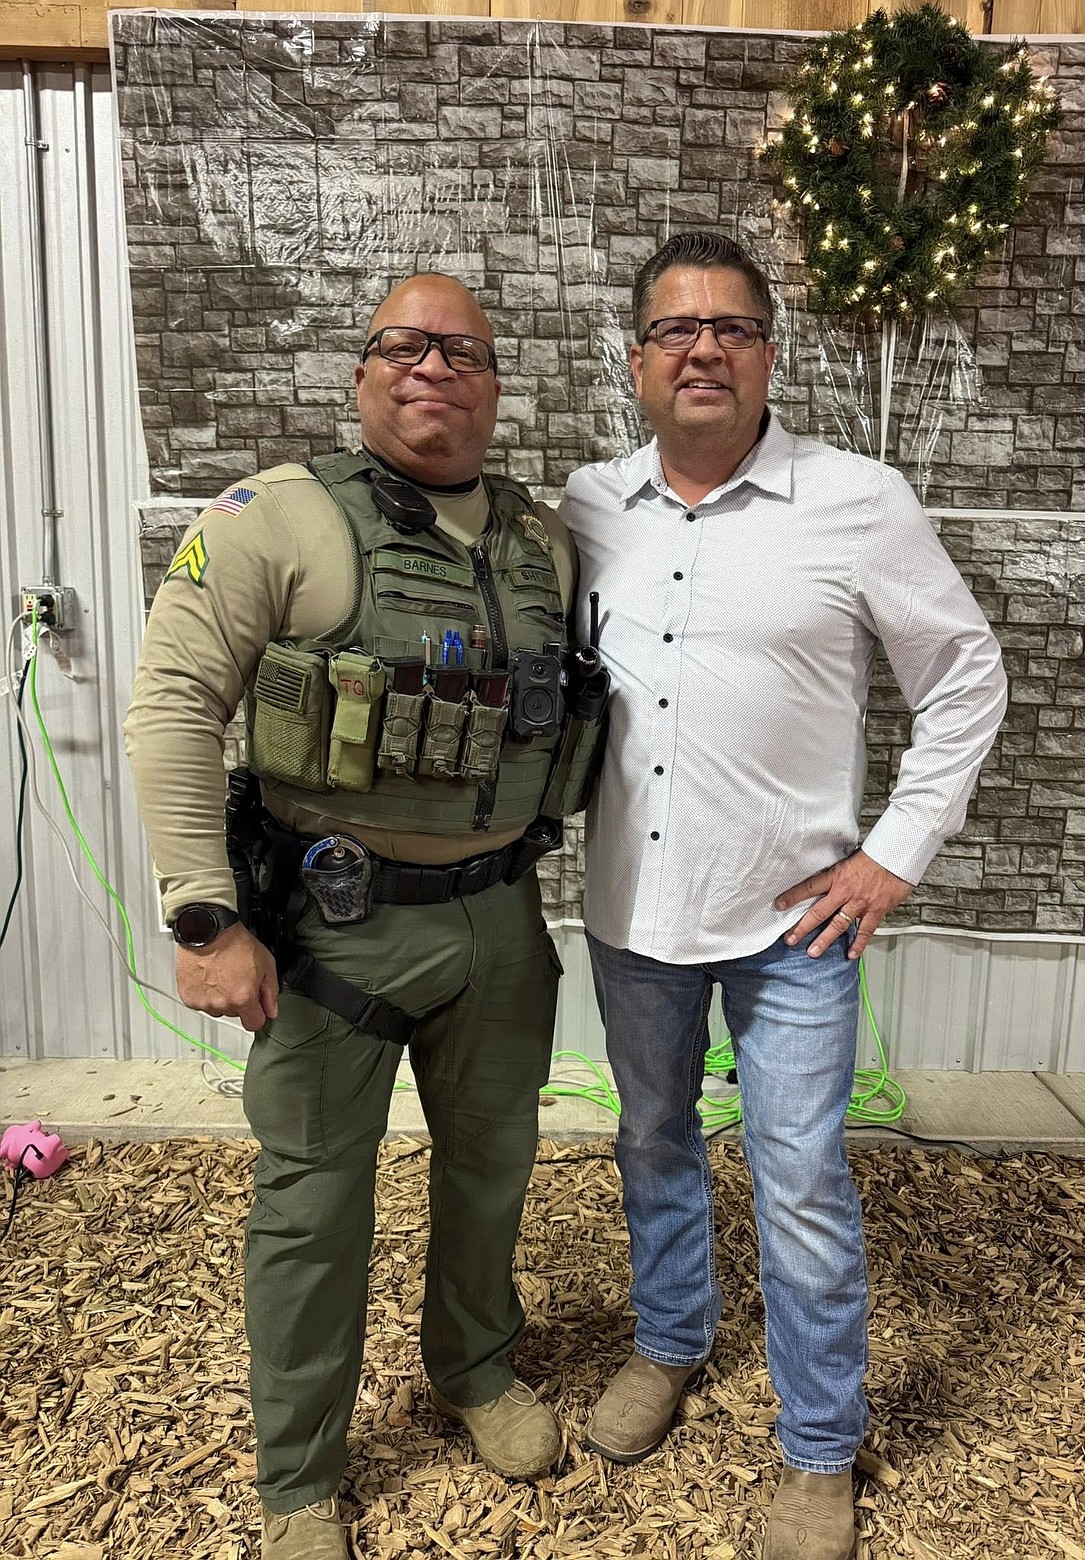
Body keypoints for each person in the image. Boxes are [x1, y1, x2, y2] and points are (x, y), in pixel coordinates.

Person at [124, 273, 596, 1560]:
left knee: (493, 1172)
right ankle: (300, 1478)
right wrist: (204, 917)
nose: (433, 367)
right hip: (334, 930)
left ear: (494, 383)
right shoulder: (275, 517)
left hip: (502, 919)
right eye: (404, 345)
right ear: (361, 373)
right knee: (310, 1206)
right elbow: (173, 702)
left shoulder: (546, 544)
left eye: (463, 351)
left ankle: (475, 1369)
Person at [560, 232, 1007, 1560]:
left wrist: (893, 854)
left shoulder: (858, 501)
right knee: (652, 1140)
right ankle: (670, 1340)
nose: (703, 347)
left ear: (768, 354)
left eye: (732, 328)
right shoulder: (586, 506)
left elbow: (964, 676)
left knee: (801, 1177)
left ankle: (818, 1445)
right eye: (675, 328)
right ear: (636, 360)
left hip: (793, 925)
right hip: (633, 913)